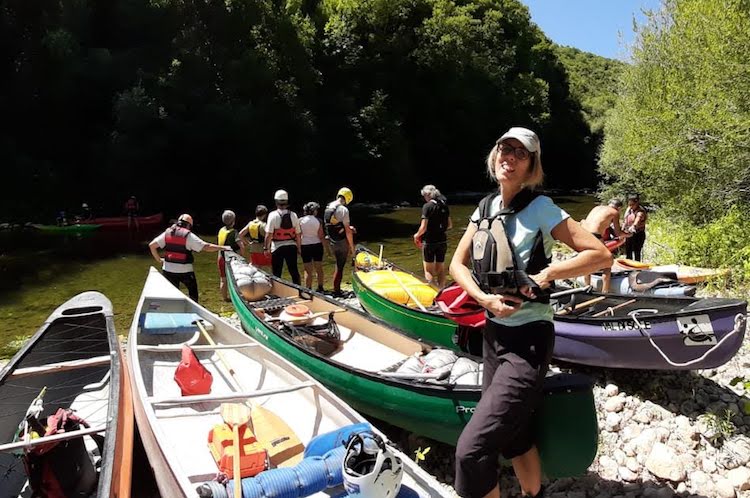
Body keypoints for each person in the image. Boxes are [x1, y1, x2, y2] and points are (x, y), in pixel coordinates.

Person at [450, 127, 611, 498]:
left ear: (531, 166)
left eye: (519, 153)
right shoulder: (485, 207)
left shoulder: (541, 208)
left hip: (529, 341)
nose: (509, 157)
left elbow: (600, 254)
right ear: (494, 155)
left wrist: (550, 273)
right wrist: (483, 299)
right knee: (514, 434)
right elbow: (457, 265)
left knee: (470, 451)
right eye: (504, 149)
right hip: (494, 336)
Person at [149, 214, 230, 302]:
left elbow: (152, 246)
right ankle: (194, 306)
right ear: (189, 225)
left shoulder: (167, 233)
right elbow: (207, 247)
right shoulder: (189, 236)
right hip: (185, 271)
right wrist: (223, 247)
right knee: (193, 292)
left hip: (168, 270)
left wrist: (159, 260)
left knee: (172, 296)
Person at [580, 199, 627, 292]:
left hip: (584, 235)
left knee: (587, 261)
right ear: (619, 208)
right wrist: (628, 234)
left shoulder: (597, 207)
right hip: (595, 236)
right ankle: (605, 291)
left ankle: (586, 287)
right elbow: (618, 233)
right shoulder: (614, 212)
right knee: (607, 263)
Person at [413, 184, 453, 288]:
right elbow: (450, 225)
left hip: (429, 241)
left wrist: (416, 235)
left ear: (427, 195)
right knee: (440, 268)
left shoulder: (427, 207)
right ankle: (442, 290)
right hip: (442, 240)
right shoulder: (444, 205)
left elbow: (423, 228)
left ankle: (434, 293)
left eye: (424, 196)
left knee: (428, 270)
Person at [264, 190, 302, 284]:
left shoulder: (272, 215)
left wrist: (266, 248)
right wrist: (299, 248)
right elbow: (298, 234)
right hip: (291, 246)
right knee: (294, 271)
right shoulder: (293, 215)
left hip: (277, 247)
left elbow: (268, 234)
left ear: (276, 201)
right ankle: (299, 291)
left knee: (277, 273)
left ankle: (278, 293)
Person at [324, 187, 356, 296]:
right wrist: (352, 248)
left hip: (332, 240)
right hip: (341, 241)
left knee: (337, 265)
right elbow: (347, 231)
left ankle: (335, 289)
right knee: (340, 266)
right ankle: (337, 291)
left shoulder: (329, 206)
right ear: (348, 198)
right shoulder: (343, 210)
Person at [300, 201, 328, 292]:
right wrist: (327, 249)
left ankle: (308, 289)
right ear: (314, 211)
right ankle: (320, 287)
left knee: (307, 269)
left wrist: (298, 247)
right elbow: (321, 236)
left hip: (305, 245)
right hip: (317, 245)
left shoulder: (300, 221)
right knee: (319, 268)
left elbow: (298, 235)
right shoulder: (318, 221)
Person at [217, 210, 241, 302]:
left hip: (221, 257)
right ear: (233, 221)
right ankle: (237, 298)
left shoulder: (221, 230)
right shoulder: (234, 232)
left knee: (223, 279)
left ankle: (225, 298)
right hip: (231, 259)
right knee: (235, 279)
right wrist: (242, 256)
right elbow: (241, 246)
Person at [622, 194, 648, 261]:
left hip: (638, 234)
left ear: (637, 203)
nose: (630, 206)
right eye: (629, 204)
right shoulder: (629, 210)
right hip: (629, 234)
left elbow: (637, 220)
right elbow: (625, 220)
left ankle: (637, 269)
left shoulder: (640, 212)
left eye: (632, 204)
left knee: (637, 252)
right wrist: (622, 231)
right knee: (628, 252)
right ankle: (628, 269)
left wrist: (633, 226)